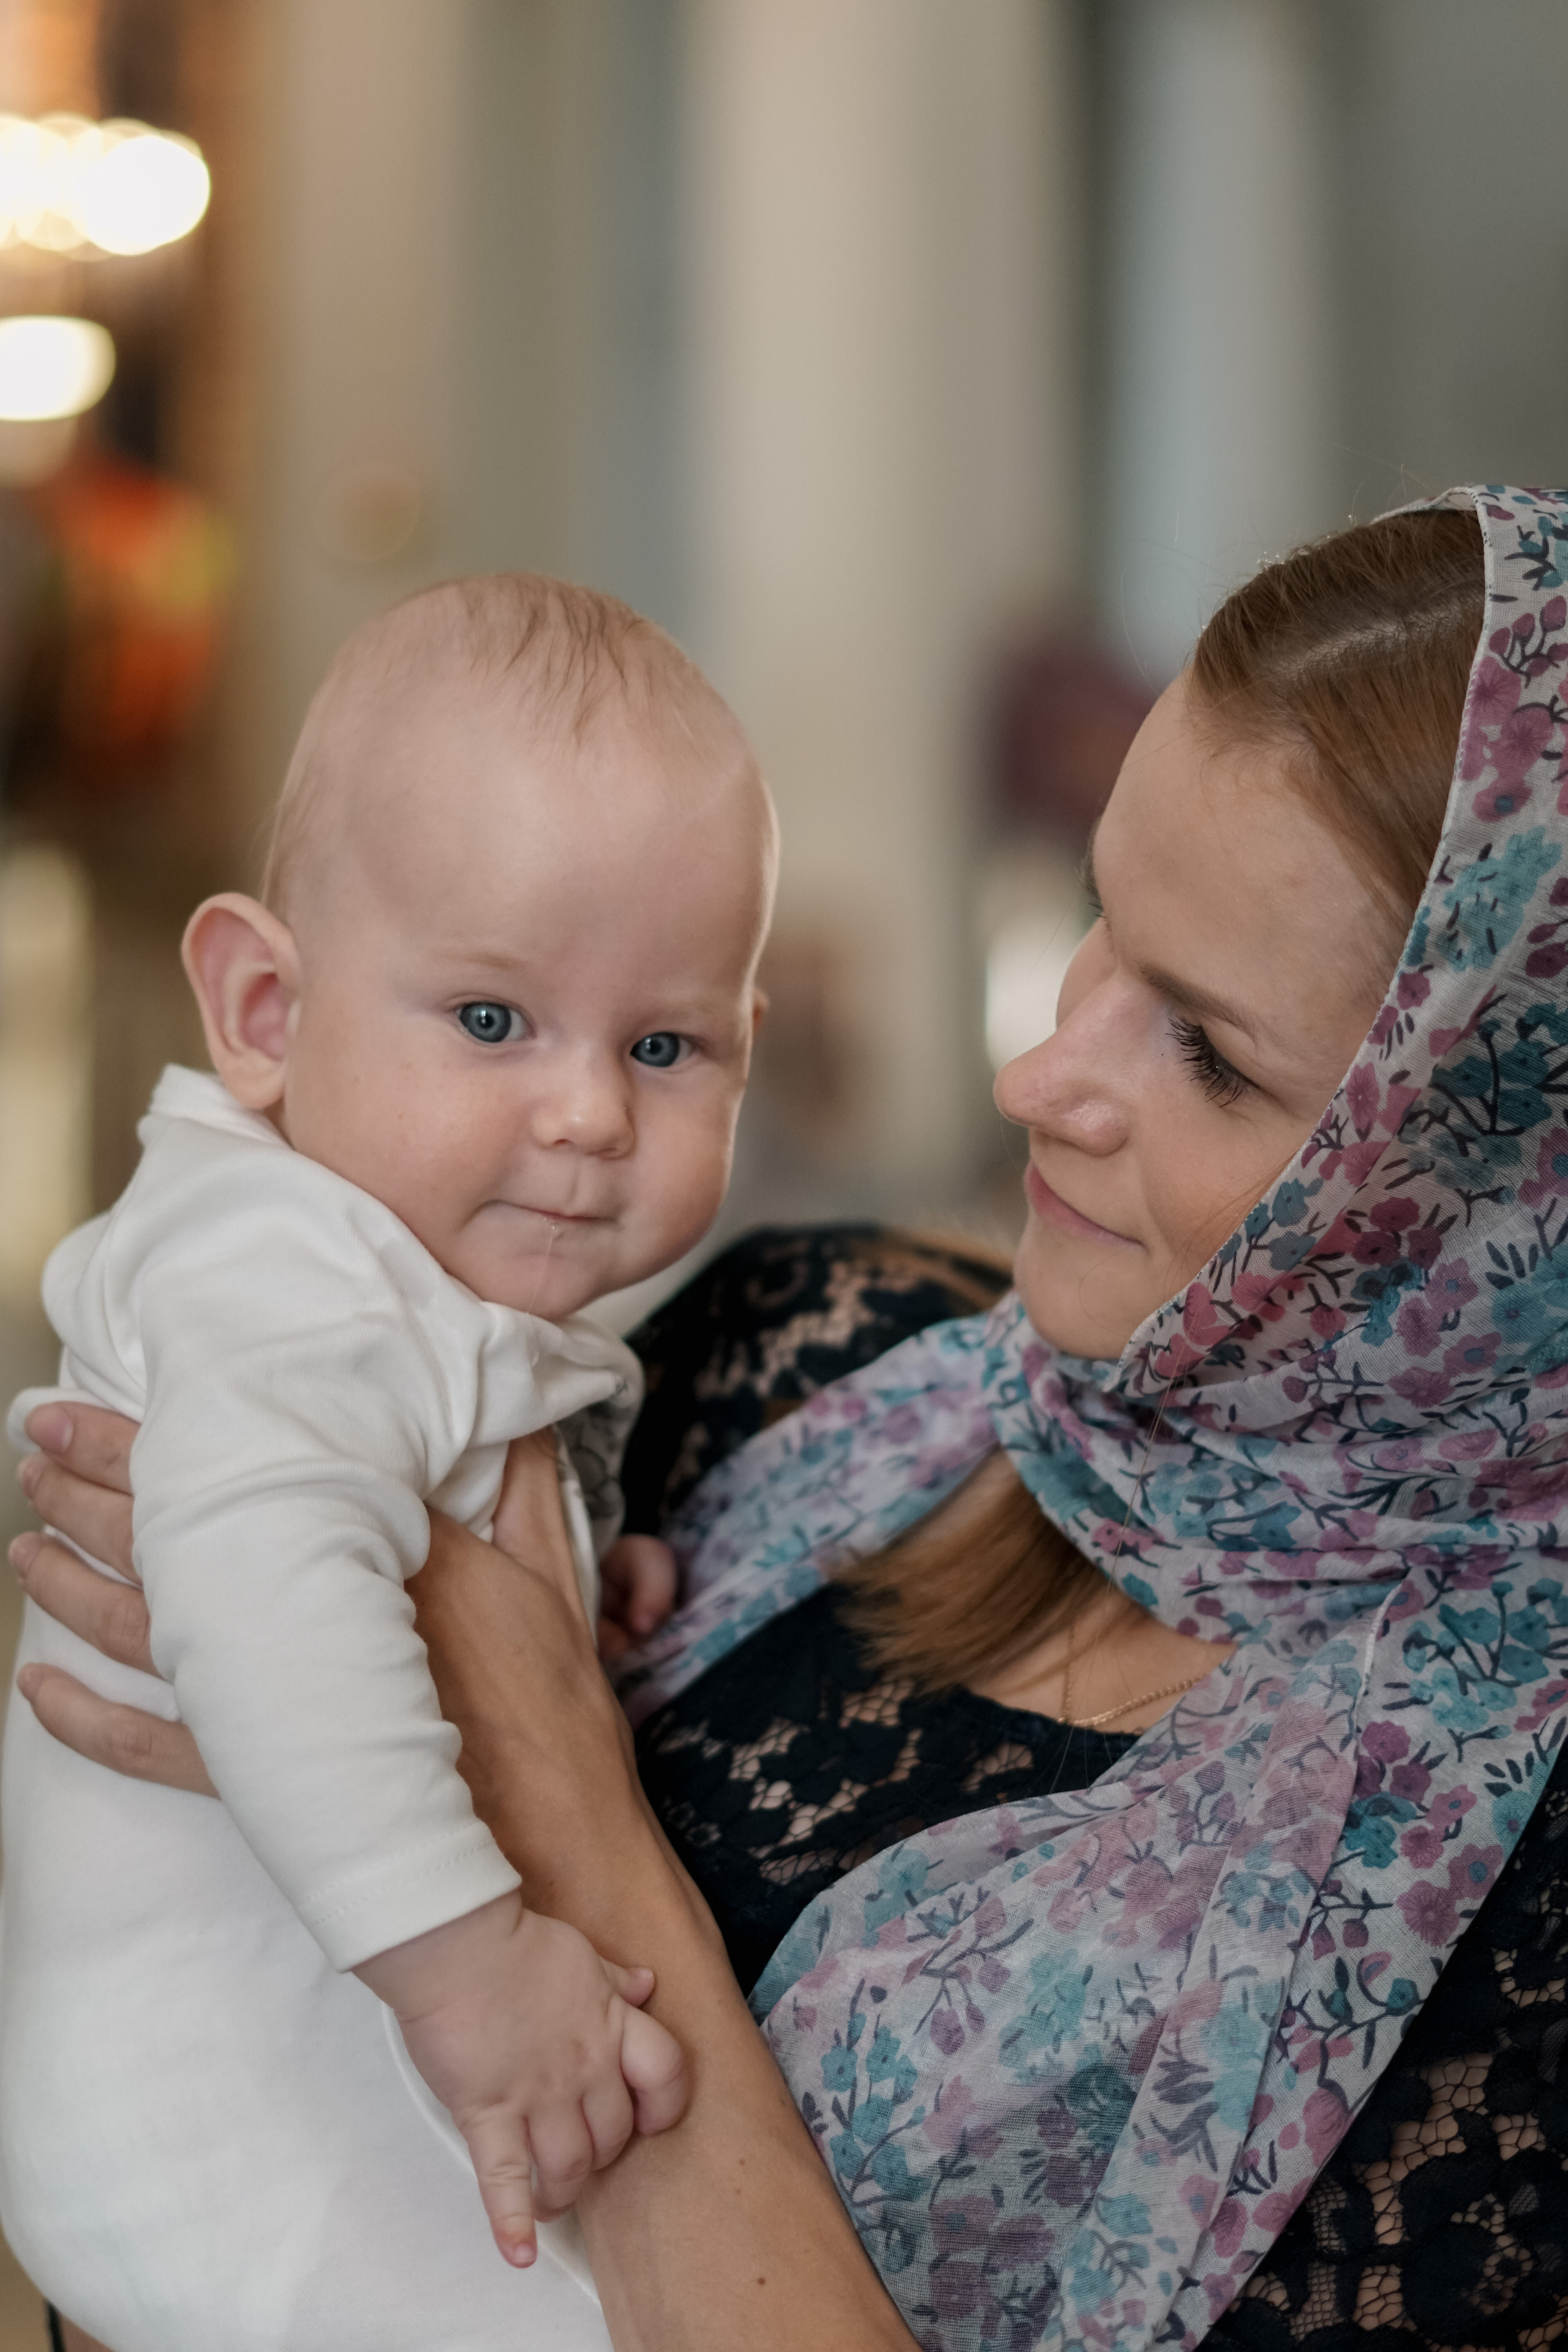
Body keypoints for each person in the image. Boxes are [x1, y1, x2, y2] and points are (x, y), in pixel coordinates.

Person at [13, 486, 1568, 2352]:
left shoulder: (1503, 1913)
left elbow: (462, 1680)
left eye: (1212, 1050)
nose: (1037, 1071)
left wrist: (552, 1772)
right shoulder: (808, 1352)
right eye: (1098, 927)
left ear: (1483, 1206)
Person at [0, 574, 778, 2351]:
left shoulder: (387, 1259)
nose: (589, 1115)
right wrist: (476, 1973)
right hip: (228, 2137)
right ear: (266, 1013)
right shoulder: (275, 1267)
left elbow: (420, 1517)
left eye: (665, 1046)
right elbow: (267, 1592)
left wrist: (579, 1561)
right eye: (494, 1023)